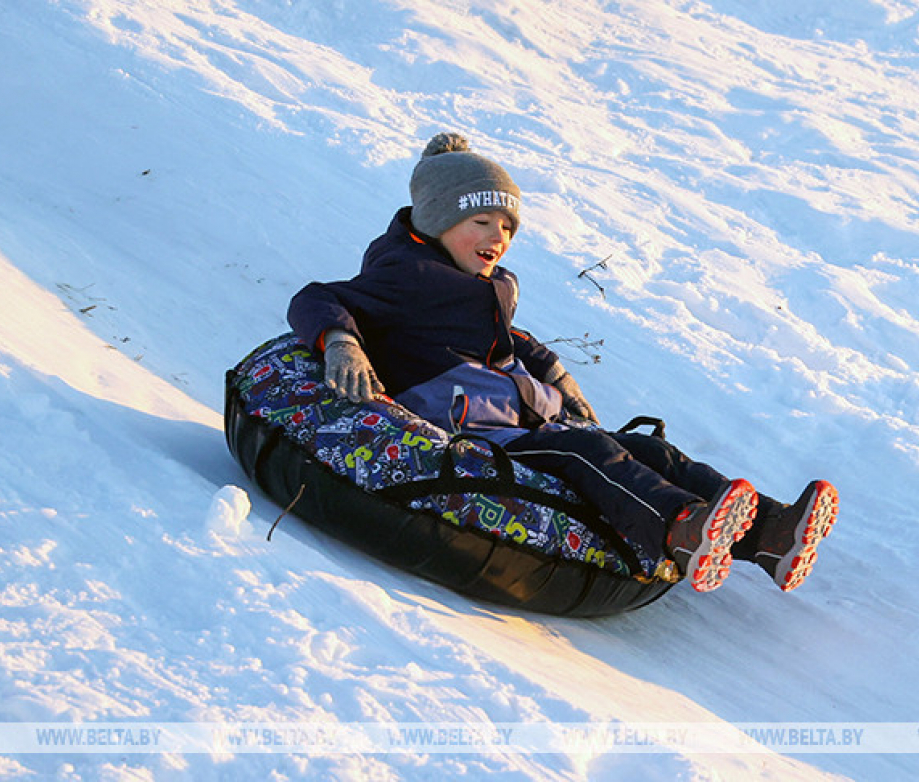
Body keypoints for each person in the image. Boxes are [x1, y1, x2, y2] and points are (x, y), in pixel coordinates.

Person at [288, 132, 838, 593]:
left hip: (521, 417)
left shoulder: (479, 284)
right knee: (584, 451)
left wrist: (554, 373)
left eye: (507, 227)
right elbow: (318, 297)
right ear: (437, 221)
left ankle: (771, 534)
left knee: (647, 450)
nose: (498, 238)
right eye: (482, 222)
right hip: (476, 433)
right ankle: (680, 530)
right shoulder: (402, 275)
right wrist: (341, 341)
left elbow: (509, 339)